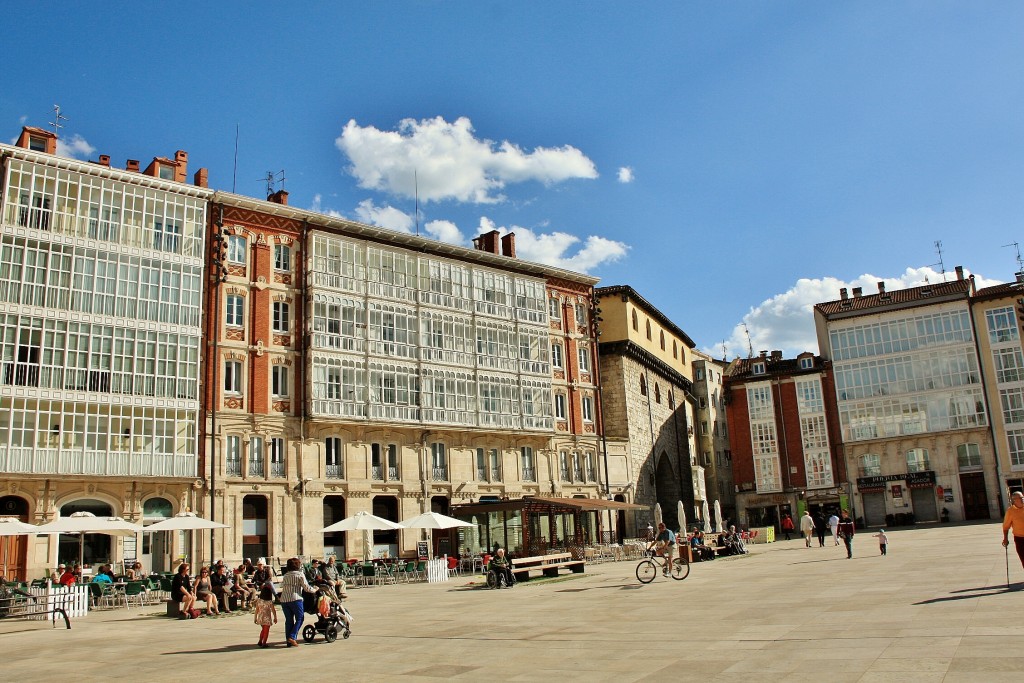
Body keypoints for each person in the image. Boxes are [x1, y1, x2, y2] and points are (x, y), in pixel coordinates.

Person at [279, 557, 316, 647]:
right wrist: (315, 590)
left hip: (284, 599)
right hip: (295, 599)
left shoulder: (286, 575)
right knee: (300, 618)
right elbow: (306, 588)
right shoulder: (300, 574)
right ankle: (292, 636)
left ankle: (288, 640)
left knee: (289, 620)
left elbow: (282, 585)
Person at [1002, 491, 1024, 569]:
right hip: (1020, 539)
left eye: (1022, 497)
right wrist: (1005, 538)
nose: (1022, 499)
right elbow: (1006, 526)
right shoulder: (1010, 511)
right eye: (1019, 498)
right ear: (1014, 500)